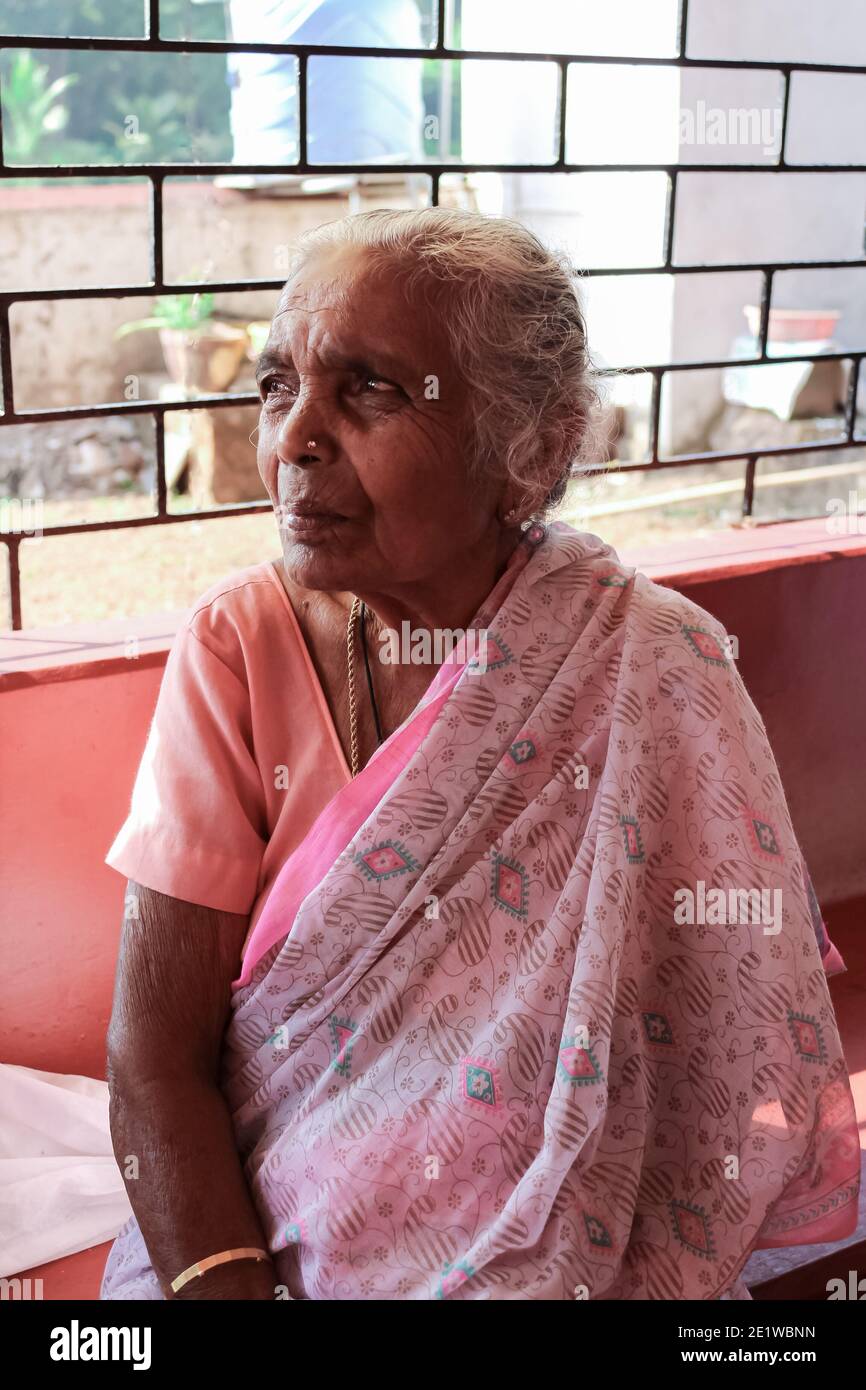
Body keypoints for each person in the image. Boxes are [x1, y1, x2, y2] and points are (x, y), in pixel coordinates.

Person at [101, 208, 860, 1301]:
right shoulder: (237, 647)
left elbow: (729, 1048)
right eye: (278, 386)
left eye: (365, 388)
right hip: (260, 1251)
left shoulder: (654, 661)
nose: (292, 439)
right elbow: (154, 1060)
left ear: (530, 447)